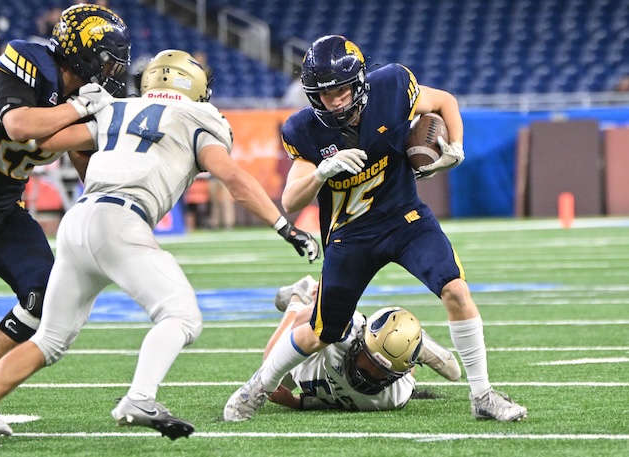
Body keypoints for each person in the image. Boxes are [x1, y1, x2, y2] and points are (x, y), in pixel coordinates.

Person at [0, 48, 320, 446]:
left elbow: (46, 140)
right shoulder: (201, 117)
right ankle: (139, 398)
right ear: (192, 85)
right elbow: (232, 177)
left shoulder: (116, 109)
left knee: (49, 340)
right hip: (123, 221)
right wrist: (283, 225)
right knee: (182, 317)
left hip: (79, 219)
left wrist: (78, 110)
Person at [224, 35, 527, 423]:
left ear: (361, 83)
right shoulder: (305, 130)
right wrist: (321, 172)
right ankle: (257, 388)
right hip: (351, 235)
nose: (334, 100)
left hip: (404, 218)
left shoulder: (393, 87)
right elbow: (291, 201)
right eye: (324, 93)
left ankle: (482, 395)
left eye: (341, 89)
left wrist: (457, 148)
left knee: (455, 288)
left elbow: (445, 101)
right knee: (322, 332)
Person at [0, 3, 131, 447]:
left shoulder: (87, 94)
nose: (109, 70)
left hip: (2, 210)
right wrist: (81, 105)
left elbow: (85, 160)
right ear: (79, 50)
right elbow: (20, 124)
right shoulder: (27, 58)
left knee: (44, 293)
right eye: (103, 57)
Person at [265, 276, 460, 412]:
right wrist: (316, 308)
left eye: (383, 374)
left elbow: (335, 402)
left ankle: (410, 349)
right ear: (360, 340)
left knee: (453, 374)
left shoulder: (394, 397)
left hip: (329, 371)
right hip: (319, 351)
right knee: (269, 368)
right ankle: (299, 297)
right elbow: (302, 323)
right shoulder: (344, 332)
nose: (368, 376)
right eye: (368, 360)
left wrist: (293, 402)